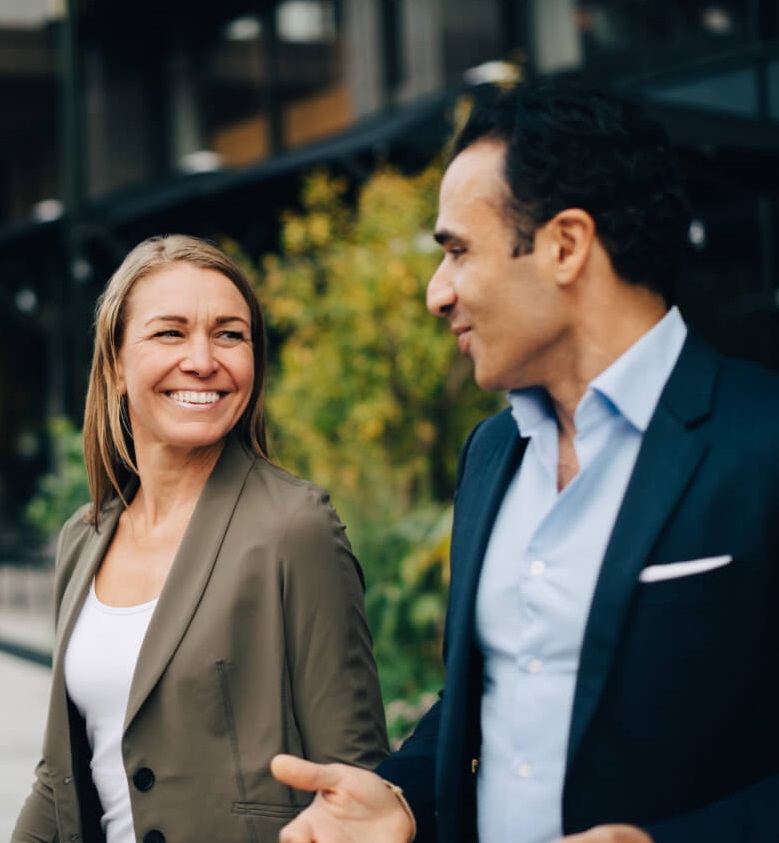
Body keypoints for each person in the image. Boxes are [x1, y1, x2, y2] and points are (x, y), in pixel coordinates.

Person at [270, 78, 779, 843]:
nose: (436, 293)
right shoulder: (492, 451)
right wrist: (404, 796)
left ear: (565, 245)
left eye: (457, 251)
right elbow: (497, 689)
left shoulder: (762, 439)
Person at [12, 234, 389, 843]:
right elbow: (59, 783)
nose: (203, 359)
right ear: (114, 365)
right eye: (170, 333)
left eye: (229, 334)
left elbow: (354, 784)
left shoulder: (296, 529)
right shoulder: (82, 540)